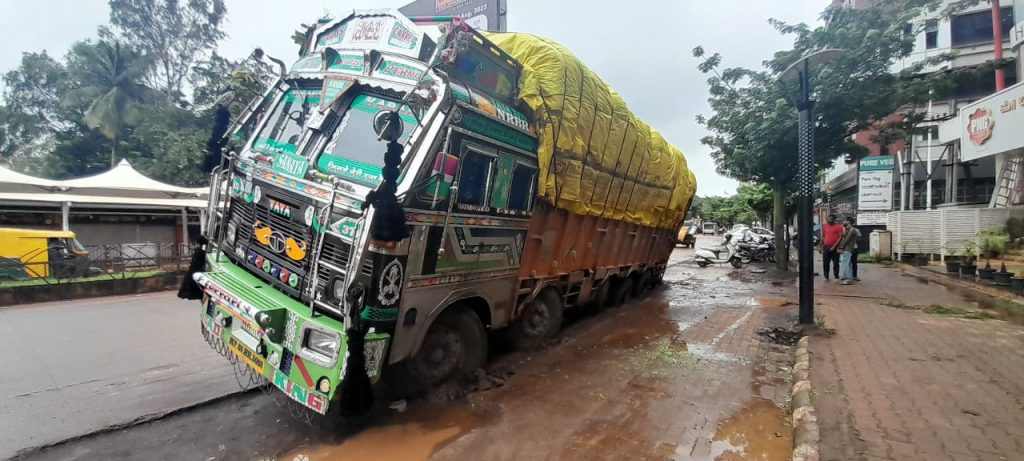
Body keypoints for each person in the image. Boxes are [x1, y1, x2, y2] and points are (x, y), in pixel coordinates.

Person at [838, 216, 861, 285]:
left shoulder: (852, 230)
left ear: (848, 222)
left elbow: (846, 240)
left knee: (846, 264)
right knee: (846, 263)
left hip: (848, 248)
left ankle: (849, 279)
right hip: (847, 248)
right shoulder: (848, 229)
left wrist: (841, 247)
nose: (843, 222)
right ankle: (847, 277)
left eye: (845, 221)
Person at [820, 215, 844, 282]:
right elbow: (823, 236)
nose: (829, 220)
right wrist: (820, 246)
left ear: (834, 220)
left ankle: (836, 277)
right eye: (828, 219)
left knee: (835, 263)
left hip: (835, 247)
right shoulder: (825, 226)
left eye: (831, 219)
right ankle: (826, 277)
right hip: (826, 247)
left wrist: (834, 246)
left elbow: (840, 237)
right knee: (825, 263)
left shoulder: (839, 227)